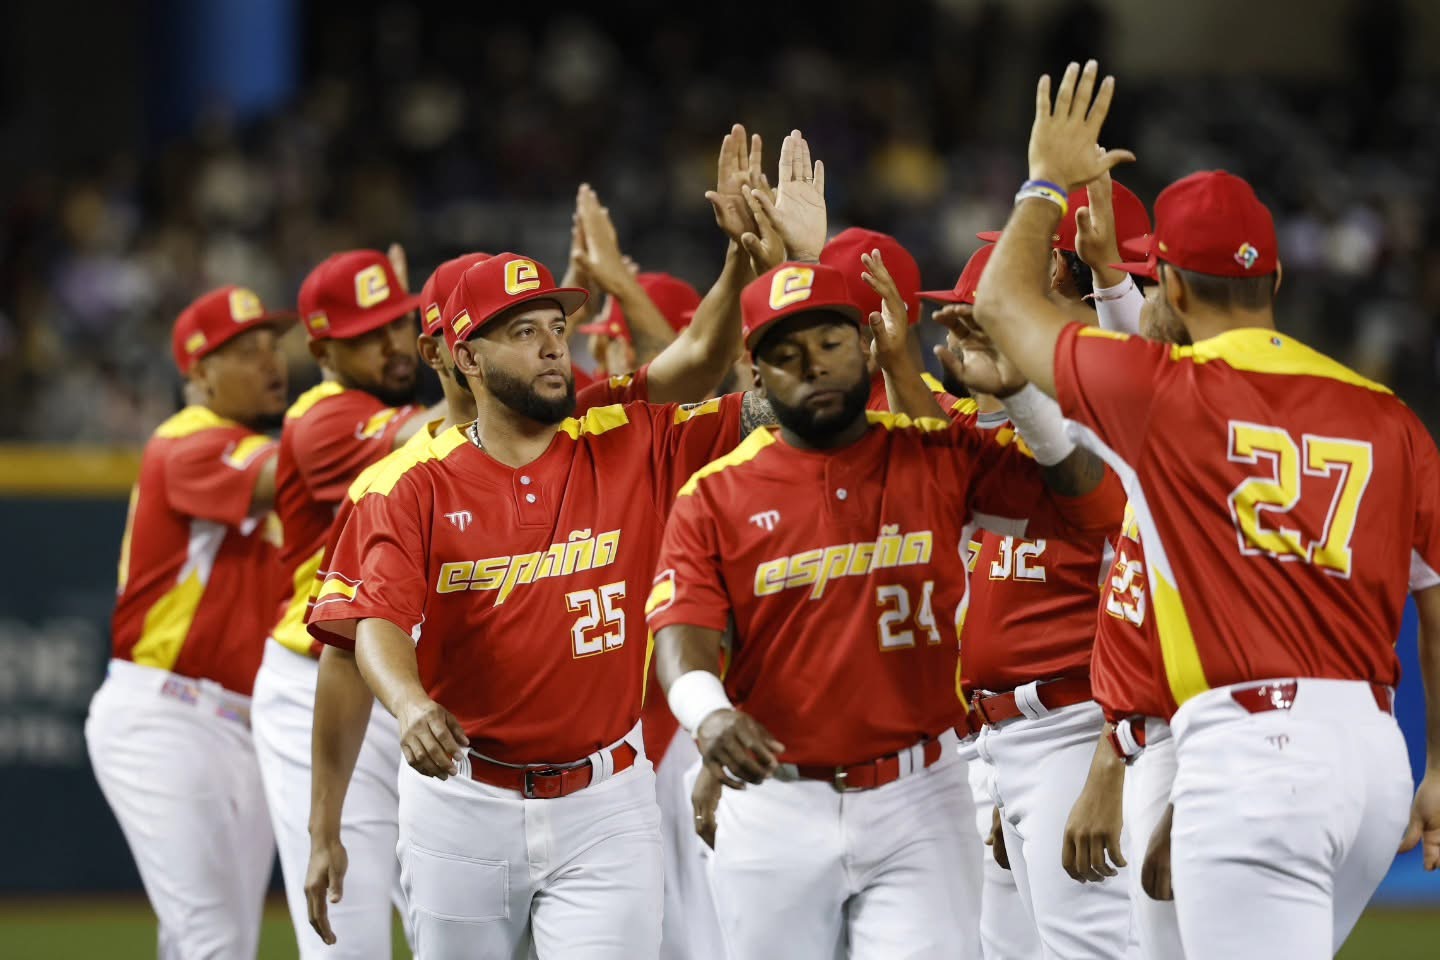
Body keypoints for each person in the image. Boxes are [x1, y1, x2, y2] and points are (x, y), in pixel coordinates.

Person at [972, 59, 1440, 959]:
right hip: (1372, 757)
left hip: (1254, 750)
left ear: (1173, 290)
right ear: (1275, 280)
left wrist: (1042, 180)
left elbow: (1001, 305)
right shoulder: (1391, 414)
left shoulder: (1165, 393)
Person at [304, 244, 782, 958]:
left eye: (556, 326)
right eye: (523, 332)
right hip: (464, 805)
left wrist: (788, 270)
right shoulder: (408, 485)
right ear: (466, 359)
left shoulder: (631, 438)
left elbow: (771, 401)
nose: (553, 347)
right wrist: (408, 707)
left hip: (609, 800)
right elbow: (372, 624)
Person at [651, 259, 1125, 960]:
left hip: (921, 795)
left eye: (831, 342)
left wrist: (1022, 395)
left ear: (868, 346)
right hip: (779, 801)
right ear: (756, 375)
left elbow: (1089, 509)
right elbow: (680, 639)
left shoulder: (935, 456)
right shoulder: (714, 495)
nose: (812, 365)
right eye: (784, 354)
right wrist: (709, 714)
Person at [87, 285, 290, 959]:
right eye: (244, 350)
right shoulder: (185, 442)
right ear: (197, 372)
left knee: (213, 942)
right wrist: (372, 413)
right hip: (167, 719)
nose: (271, 361)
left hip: (247, 726)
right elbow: (297, 470)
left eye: (272, 345)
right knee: (211, 939)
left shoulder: (261, 449)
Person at [254, 246, 436, 959]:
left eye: (399, 322)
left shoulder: (411, 405)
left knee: (452, 918)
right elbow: (437, 432)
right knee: (347, 937)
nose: (394, 344)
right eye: (370, 333)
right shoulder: (323, 416)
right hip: (318, 686)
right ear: (324, 347)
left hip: (403, 684)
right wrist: (466, 345)